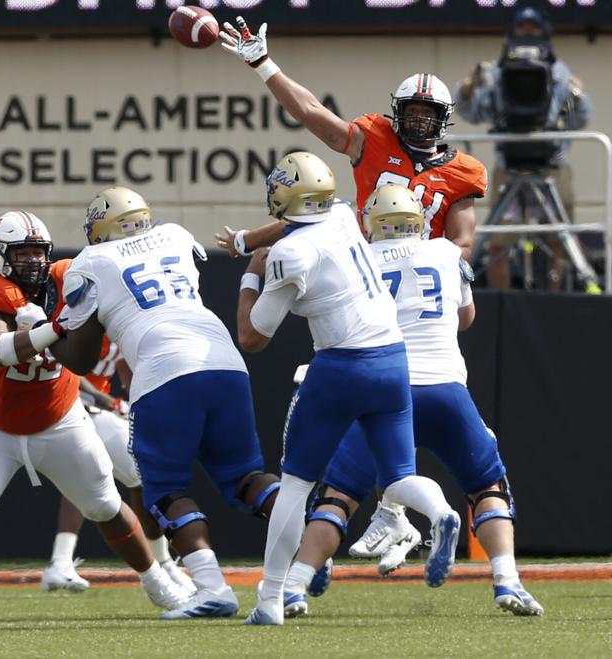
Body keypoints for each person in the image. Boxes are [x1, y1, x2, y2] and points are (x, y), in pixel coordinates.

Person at [0, 210, 189, 622]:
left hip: (60, 415)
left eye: (38, 252)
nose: (33, 261)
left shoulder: (69, 275)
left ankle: (158, 583)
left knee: (106, 506)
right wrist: (56, 328)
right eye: (22, 253)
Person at [280, 185, 542, 618]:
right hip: (446, 388)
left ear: (371, 223)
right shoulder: (444, 252)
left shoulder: (358, 258)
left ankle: (294, 587)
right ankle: (507, 580)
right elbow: (466, 317)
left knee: (337, 497)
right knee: (486, 488)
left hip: (385, 388)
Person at [235, 153, 461, 626]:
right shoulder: (340, 214)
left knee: (296, 483)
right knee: (397, 475)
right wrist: (248, 240)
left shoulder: (289, 254)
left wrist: (250, 273)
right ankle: (440, 510)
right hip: (393, 360)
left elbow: (254, 337)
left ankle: (271, 599)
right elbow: (297, 225)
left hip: (341, 365)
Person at [48, 187, 281, 619]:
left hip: (164, 372)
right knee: (247, 478)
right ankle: (301, 555)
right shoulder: (175, 235)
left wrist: (46, 334)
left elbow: (79, 359)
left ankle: (212, 588)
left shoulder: (91, 262)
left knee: (165, 490)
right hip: (225, 362)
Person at [217, 17, 487, 261]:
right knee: (333, 211)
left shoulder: (463, 171)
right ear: (398, 112)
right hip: (367, 268)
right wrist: (263, 65)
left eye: (427, 113)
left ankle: (246, 244)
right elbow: (312, 111)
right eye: (412, 111)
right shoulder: (373, 139)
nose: (418, 119)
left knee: (464, 310)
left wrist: (414, 255)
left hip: (423, 274)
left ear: (442, 117)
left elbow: (462, 246)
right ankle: (246, 240)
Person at [454, 7, 593, 290]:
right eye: (522, 27)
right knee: (497, 243)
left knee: (559, 242)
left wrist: (578, 95)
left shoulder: (558, 71)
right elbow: (473, 111)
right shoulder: (497, 72)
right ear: (511, 32)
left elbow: (580, 117)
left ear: (543, 31)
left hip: (552, 166)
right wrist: (469, 86)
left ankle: (555, 304)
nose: (527, 33)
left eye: (533, 27)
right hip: (509, 167)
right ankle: (500, 305)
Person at [40, 341, 195, 595]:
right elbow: (65, 368)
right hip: (68, 405)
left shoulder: (122, 323)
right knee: (128, 470)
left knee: (133, 474)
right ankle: (161, 564)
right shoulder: (86, 319)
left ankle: (61, 562)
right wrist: (108, 401)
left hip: (93, 410)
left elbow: (129, 375)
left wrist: (143, 406)